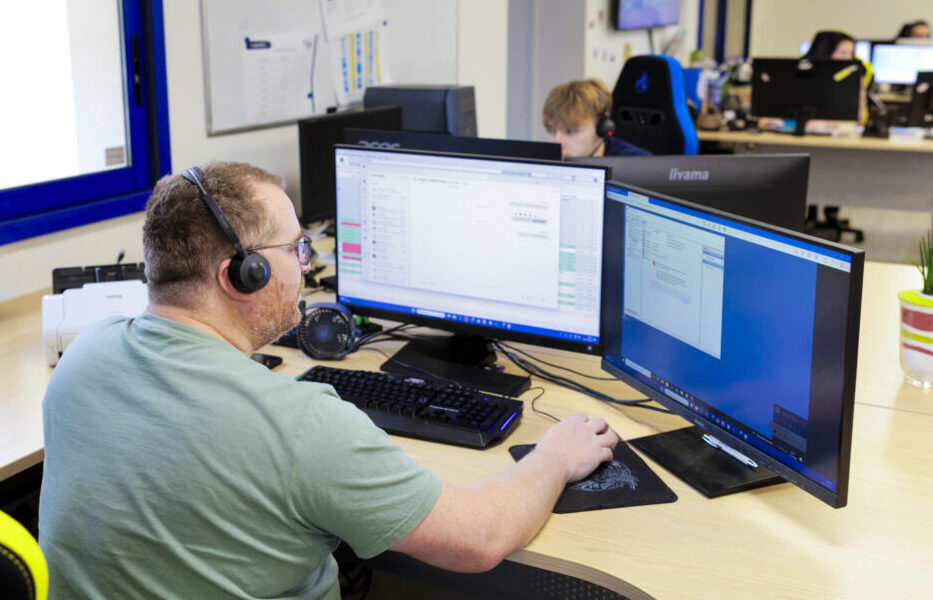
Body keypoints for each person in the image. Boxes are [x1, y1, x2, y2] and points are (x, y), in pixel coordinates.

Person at [38, 161, 620, 599]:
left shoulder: (84, 358)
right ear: (244, 274)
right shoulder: (300, 424)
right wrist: (553, 457)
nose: (310, 264)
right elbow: (480, 540)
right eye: (295, 248)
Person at [542, 78, 651, 158]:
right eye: (551, 131)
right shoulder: (545, 163)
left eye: (570, 131)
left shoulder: (636, 163)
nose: (558, 144)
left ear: (602, 128)